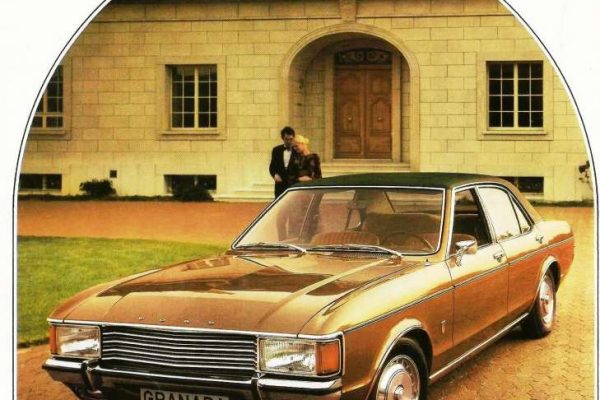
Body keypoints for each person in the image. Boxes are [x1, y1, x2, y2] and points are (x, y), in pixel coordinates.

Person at [269, 126, 299, 198]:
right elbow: (272, 167)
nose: (289, 142)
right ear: (282, 138)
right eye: (286, 139)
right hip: (280, 185)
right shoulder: (276, 150)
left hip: (293, 185)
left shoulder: (297, 151)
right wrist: (274, 175)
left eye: (291, 139)